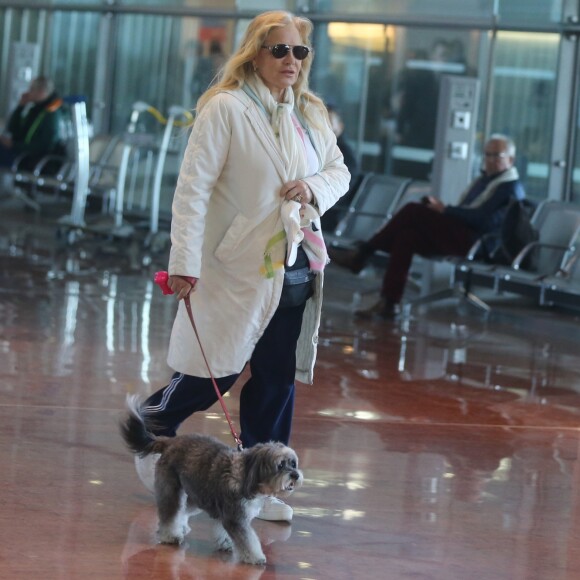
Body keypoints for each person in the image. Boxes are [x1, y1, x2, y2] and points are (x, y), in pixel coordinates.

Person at [135, 10, 350, 522]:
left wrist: (313, 188)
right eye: (280, 50)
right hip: (233, 265)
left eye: (300, 51)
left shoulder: (310, 114)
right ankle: (150, 433)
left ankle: (262, 483)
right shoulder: (224, 109)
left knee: (276, 378)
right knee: (215, 371)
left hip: (293, 266)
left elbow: (338, 171)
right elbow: (193, 190)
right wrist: (183, 262)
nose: (291, 61)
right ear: (254, 53)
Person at [328, 134, 525, 319]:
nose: (490, 160)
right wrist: (443, 209)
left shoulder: (510, 187)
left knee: (414, 211)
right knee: (407, 236)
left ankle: (363, 253)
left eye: (496, 155)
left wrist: (445, 210)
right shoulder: (484, 181)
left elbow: (484, 222)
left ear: (511, 159)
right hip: (462, 234)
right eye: (487, 154)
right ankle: (389, 303)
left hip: (477, 243)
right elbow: (467, 212)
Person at [0, 76, 63, 169]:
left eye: (32, 89)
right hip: (22, 152)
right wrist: (21, 106)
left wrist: (14, 145)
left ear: (41, 92)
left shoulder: (51, 113)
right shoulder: (35, 109)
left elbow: (45, 145)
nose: (28, 92)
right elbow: (13, 129)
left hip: (34, 158)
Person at [321, 104, 360, 231]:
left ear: (340, 127)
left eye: (329, 122)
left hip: (329, 213)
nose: (324, 126)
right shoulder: (321, 149)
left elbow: (342, 190)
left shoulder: (344, 154)